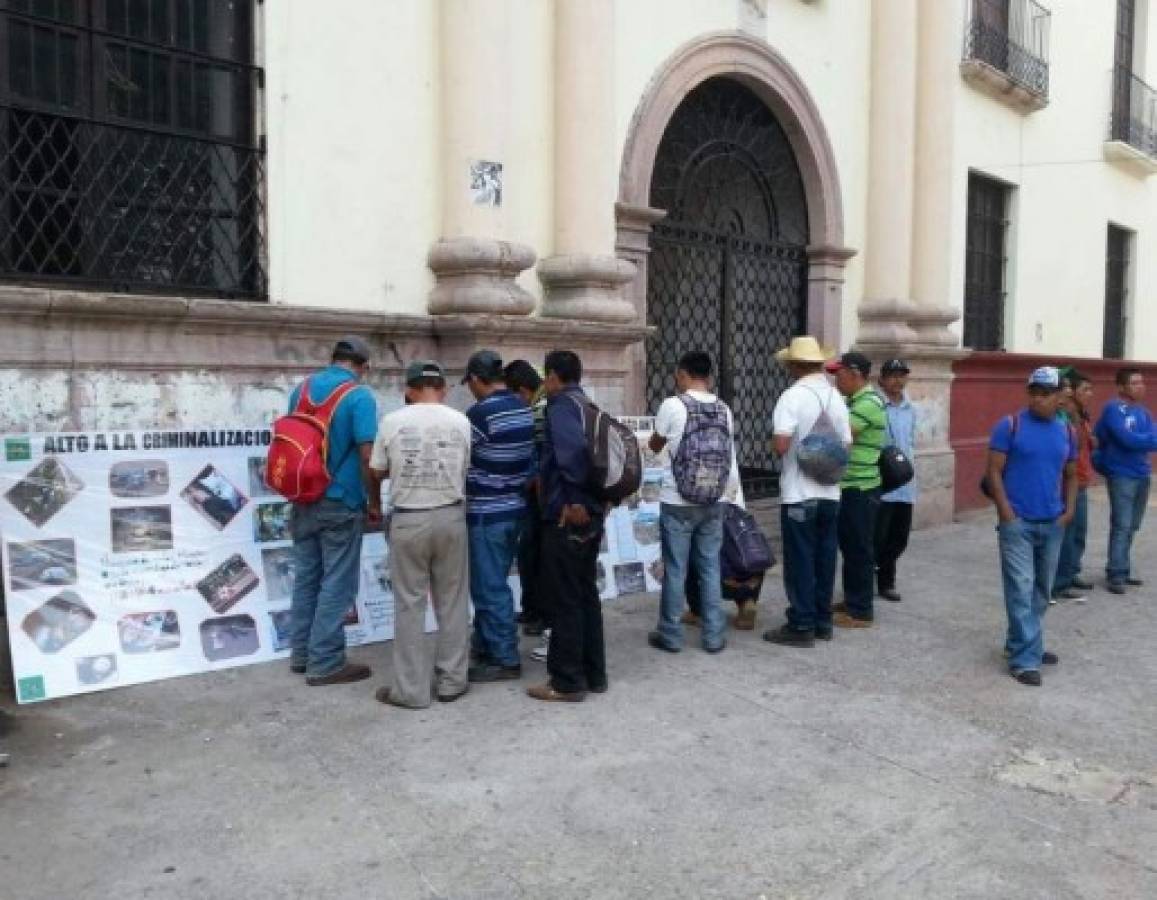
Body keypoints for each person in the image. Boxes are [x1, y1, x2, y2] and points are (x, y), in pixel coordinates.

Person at [369, 361, 472, 708]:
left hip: (409, 519)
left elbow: (377, 471)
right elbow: (465, 468)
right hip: (451, 516)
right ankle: (452, 681)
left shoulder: (392, 421)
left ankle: (411, 691)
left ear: (409, 390)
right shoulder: (461, 421)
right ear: (441, 388)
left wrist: (373, 503)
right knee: (453, 601)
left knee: (409, 604)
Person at [287, 336, 378, 685]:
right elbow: (368, 456)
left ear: (333, 359)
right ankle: (325, 662)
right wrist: (374, 502)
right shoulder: (359, 396)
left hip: (303, 496)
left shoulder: (302, 389)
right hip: (340, 499)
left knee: (307, 577)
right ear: (363, 367)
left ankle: (301, 654)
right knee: (337, 581)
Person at [985, 367, 1077, 687]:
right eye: (1033, 393)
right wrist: (1006, 512)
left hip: (1052, 521)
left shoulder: (1066, 432)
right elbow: (994, 471)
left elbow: (1071, 473)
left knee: (1041, 591)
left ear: (1059, 397)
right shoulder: (1010, 426)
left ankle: (1023, 642)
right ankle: (1025, 660)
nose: (1038, 399)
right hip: (1018, 523)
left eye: (1045, 394)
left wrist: (1069, 511)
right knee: (1021, 589)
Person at [647, 351, 741, 655]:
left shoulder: (672, 405)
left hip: (677, 499)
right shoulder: (724, 409)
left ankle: (670, 635)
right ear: (710, 377)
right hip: (714, 498)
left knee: (676, 569)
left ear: (681, 373)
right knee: (710, 566)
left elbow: (655, 444)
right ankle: (714, 636)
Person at [527, 350, 607, 702]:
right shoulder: (588, 405)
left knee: (565, 599)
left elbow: (571, 455)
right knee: (586, 593)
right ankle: (594, 673)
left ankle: (566, 681)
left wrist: (574, 501)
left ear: (553, 376)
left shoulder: (560, 406)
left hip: (568, 514)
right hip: (592, 512)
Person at [763, 336, 852, 648]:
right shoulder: (836, 397)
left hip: (800, 492)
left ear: (794, 365)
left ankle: (801, 625)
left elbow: (782, 444)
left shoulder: (791, 397)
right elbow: (847, 444)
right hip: (830, 492)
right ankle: (822, 622)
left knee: (800, 560)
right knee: (825, 559)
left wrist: (780, 446)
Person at [461, 350, 535, 683]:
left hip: (486, 511)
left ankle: (505, 657)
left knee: (489, 587)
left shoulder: (479, 414)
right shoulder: (522, 407)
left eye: (470, 384)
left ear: (477, 380)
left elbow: (462, 457)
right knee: (495, 580)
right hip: (514, 508)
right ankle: (486, 644)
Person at [825, 351, 886, 628]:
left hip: (860, 486)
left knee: (859, 548)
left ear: (855, 374)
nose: (836, 380)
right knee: (850, 546)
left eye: (839, 374)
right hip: (850, 484)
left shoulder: (869, 403)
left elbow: (842, 434)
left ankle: (861, 610)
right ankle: (853, 599)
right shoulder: (852, 400)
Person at [503, 359, 550, 664]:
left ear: (522, 390)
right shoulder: (541, 402)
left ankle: (540, 613)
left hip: (541, 495)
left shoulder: (539, 409)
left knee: (536, 553)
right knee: (530, 552)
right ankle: (533, 609)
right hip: (537, 494)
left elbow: (538, 453)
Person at [1094, 367, 1157, 594]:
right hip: (1121, 474)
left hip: (1141, 474)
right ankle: (1116, 574)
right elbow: (1126, 440)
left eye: (1142, 382)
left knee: (1132, 525)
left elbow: (1152, 437)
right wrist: (1146, 439)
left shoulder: (1143, 412)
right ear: (1121, 387)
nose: (1141, 386)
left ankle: (1123, 567)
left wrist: (1145, 439)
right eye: (1135, 383)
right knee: (1121, 524)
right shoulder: (1113, 409)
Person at [874, 359, 917, 603]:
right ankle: (882, 581)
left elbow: (911, 442)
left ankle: (883, 573)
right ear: (882, 378)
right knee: (878, 536)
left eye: (901, 375)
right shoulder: (877, 405)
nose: (897, 380)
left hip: (906, 484)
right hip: (883, 483)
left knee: (899, 538)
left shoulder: (911, 408)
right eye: (892, 375)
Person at [1052, 371, 1096, 602]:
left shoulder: (1080, 415)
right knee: (1067, 535)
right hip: (1069, 482)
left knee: (1079, 532)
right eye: (1084, 390)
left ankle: (1072, 572)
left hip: (1081, 479)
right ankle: (1060, 581)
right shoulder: (1063, 418)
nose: (1089, 394)